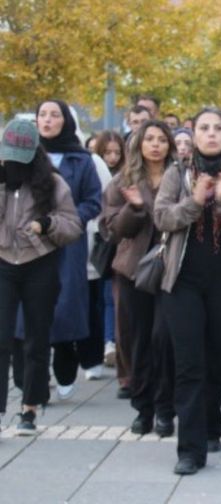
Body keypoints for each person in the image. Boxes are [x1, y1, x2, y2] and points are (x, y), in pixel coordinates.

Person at [154, 107, 221, 475]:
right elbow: (162, 218)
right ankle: (190, 449)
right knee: (188, 364)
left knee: (218, 359)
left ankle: (212, 424)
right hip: (181, 281)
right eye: (204, 128)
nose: (211, 134)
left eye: (218, 128)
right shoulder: (176, 172)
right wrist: (195, 201)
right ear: (193, 134)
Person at [0, 119, 82, 435]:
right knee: (2, 338)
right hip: (4, 262)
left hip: (40, 263)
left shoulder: (52, 183)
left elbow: (72, 225)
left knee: (37, 338)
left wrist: (46, 225)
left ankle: (29, 409)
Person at [102, 119, 177, 437]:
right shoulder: (124, 180)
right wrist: (133, 208)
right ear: (139, 144)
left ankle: (164, 409)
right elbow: (111, 230)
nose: (156, 145)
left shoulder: (181, 178)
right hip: (134, 272)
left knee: (164, 339)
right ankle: (143, 408)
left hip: (172, 270)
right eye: (150, 139)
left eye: (162, 139)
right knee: (137, 340)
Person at [33, 100, 103, 401]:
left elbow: (93, 200)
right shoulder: (23, 156)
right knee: (29, 309)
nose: (48, 120)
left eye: (55, 115)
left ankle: (65, 358)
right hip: (27, 245)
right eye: (42, 115)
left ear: (66, 121)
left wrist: (70, 221)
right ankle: (33, 378)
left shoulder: (81, 159)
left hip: (66, 243)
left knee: (63, 306)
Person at [93, 131, 126, 368]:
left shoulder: (127, 176)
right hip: (104, 243)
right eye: (108, 152)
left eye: (117, 152)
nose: (112, 157)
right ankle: (108, 342)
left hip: (122, 243)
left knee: (114, 297)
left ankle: (113, 341)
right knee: (106, 297)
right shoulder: (95, 171)